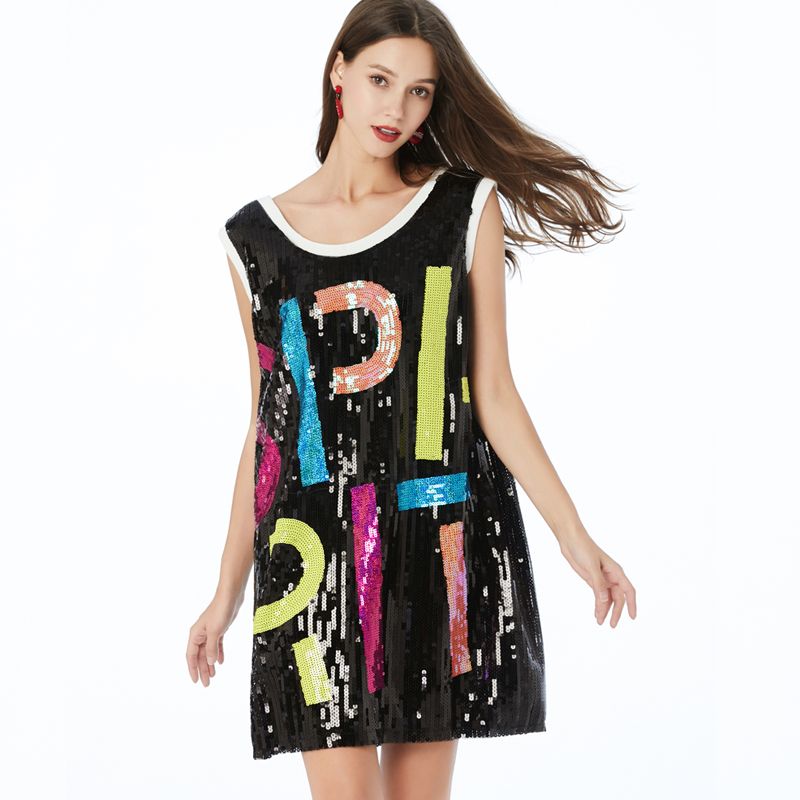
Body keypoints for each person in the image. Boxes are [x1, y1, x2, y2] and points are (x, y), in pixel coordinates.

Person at [187, 1, 637, 797]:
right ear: (339, 73)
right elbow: (268, 432)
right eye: (380, 79)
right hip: (313, 563)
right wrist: (225, 594)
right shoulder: (254, 240)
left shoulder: (463, 209)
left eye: (419, 91)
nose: (396, 107)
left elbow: (493, 391)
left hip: (436, 544)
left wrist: (575, 536)